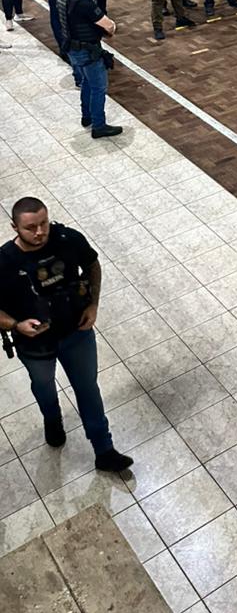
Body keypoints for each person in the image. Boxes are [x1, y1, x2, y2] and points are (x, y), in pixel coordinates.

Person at [0, 197, 133, 472]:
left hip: (76, 332)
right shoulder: (4, 262)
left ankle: (104, 449)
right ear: (14, 227)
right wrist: (15, 325)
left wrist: (93, 304)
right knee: (44, 387)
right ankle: (52, 419)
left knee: (87, 388)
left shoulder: (67, 239)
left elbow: (92, 265)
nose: (40, 232)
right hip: (35, 344)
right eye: (30, 227)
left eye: (44, 223)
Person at [56, 0, 122, 137]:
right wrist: (112, 27)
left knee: (86, 82)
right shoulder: (84, 3)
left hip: (72, 48)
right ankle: (99, 126)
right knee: (98, 88)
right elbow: (108, 25)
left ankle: (87, 116)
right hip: (87, 50)